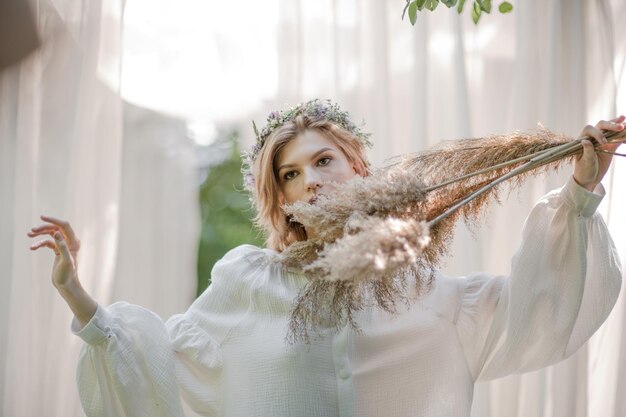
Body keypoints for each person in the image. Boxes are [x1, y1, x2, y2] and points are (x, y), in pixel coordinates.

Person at [28, 100, 624, 417]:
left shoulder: (424, 285)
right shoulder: (247, 282)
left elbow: (534, 306)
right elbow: (163, 361)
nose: (309, 181)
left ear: (359, 167)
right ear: (281, 202)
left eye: (323, 161)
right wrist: (77, 294)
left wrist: (578, 192)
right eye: (290, 175)